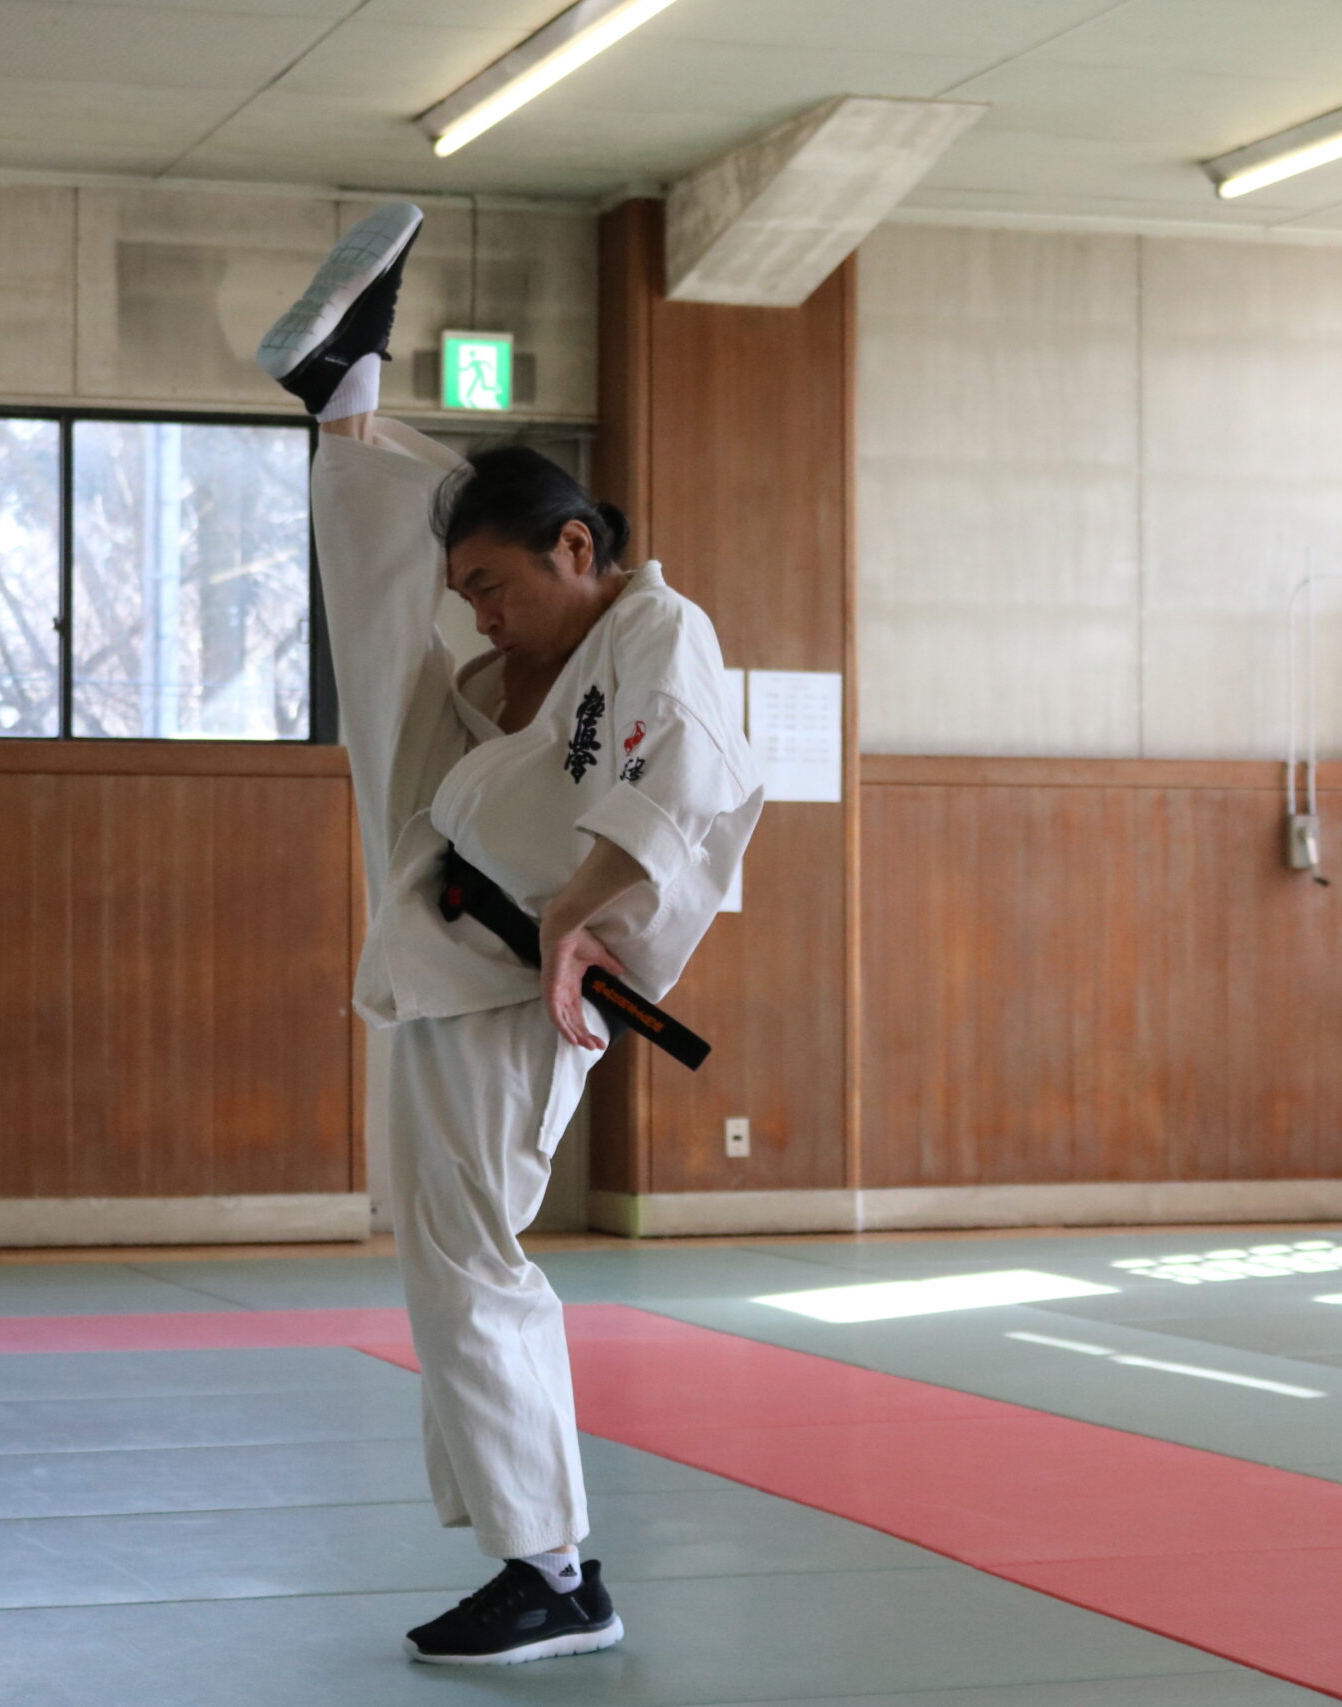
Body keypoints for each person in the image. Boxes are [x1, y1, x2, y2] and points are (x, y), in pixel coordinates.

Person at [255, 203, 761, 1666]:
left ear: (577, 544)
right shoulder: (527, 660)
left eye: (496, 584)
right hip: (447, 924)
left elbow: (687, 782)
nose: (480, 614)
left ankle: (554, 1572)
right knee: (386, 669)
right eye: (470, 590)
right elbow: (450, 661)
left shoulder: (658, 633)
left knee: (468, 1260)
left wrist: (583, 919)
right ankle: (347, 408)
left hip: (518, 980)